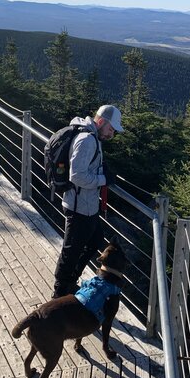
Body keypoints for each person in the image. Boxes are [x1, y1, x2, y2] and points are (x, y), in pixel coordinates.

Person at [52, 105, 123, 298]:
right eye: (111, 129)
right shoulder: (87, 140)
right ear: (101, 121)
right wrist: (103, 180)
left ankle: (69, 281)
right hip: (79, 207)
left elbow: (87, 167)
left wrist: (103, 172)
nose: (112, 134)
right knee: (71, 250)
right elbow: (77, 176)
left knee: (95, 240)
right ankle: (60, 292)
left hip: (86, 205)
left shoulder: (93, 136)